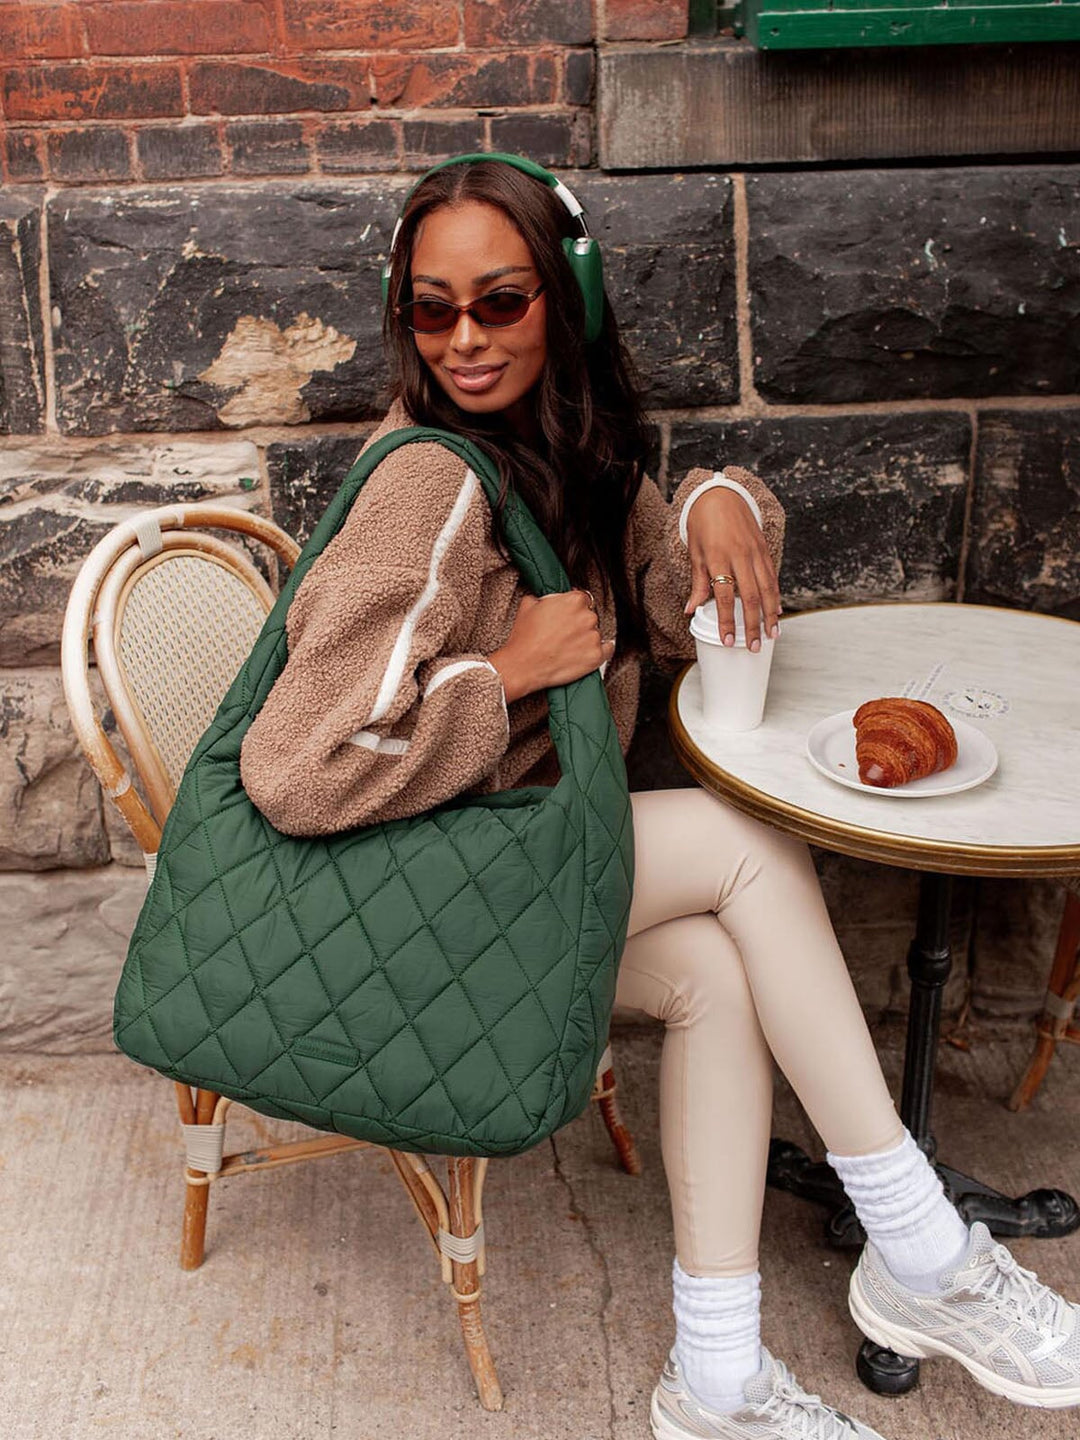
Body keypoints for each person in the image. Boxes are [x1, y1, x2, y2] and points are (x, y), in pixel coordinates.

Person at [239, 155, 1080, 1438]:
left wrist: (722, 497)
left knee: (719, 977)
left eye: (501, 302)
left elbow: (694, 615)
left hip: (480, 882)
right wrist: (503, 676)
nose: (464, 340)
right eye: (431, 309)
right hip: (390, 909)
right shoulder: (432, 483)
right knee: (745, 842)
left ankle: (717, 1378)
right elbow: (295, 770)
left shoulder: (560, 463)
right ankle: (923, 1247)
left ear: (563, 301)